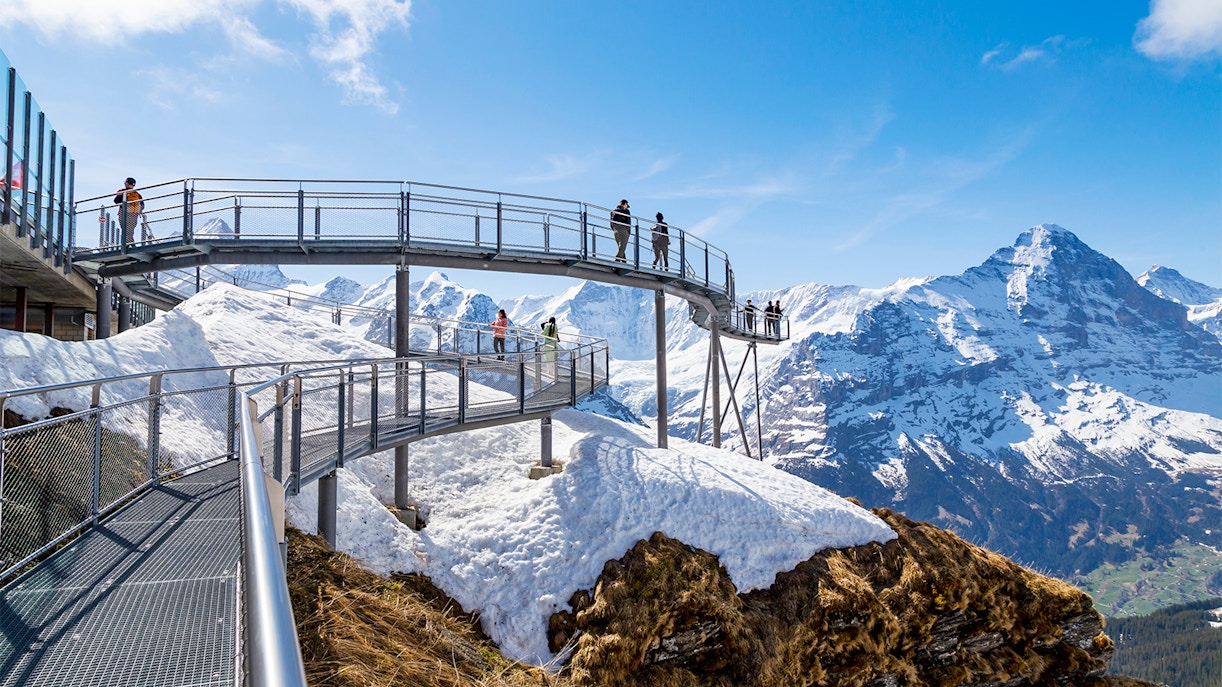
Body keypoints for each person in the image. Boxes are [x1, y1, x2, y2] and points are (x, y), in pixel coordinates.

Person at [112, 177, 144, 246]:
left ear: (127, 183)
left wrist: (119, 195)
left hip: (124, 213)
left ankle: (128, 245)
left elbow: (116, 201)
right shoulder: (138, 195)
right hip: (134, 215)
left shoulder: (123, 192)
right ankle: (130, 244)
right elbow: (142, 206)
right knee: (130, 231)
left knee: (125, 230)